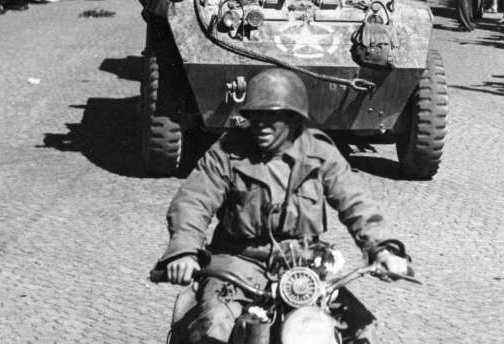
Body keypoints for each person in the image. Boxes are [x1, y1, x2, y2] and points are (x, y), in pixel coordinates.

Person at [155, 68, 410, 344]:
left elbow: (356, 201)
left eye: (272, 117)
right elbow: (195, 200)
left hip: (303, 267)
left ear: (292, 118)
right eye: (255, 116)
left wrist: (383, 250)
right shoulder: (228, 152)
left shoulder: (319, 152)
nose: (261, 125)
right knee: (213, 326)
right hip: (237, 263)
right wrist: (184, 252)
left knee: (362, 329)